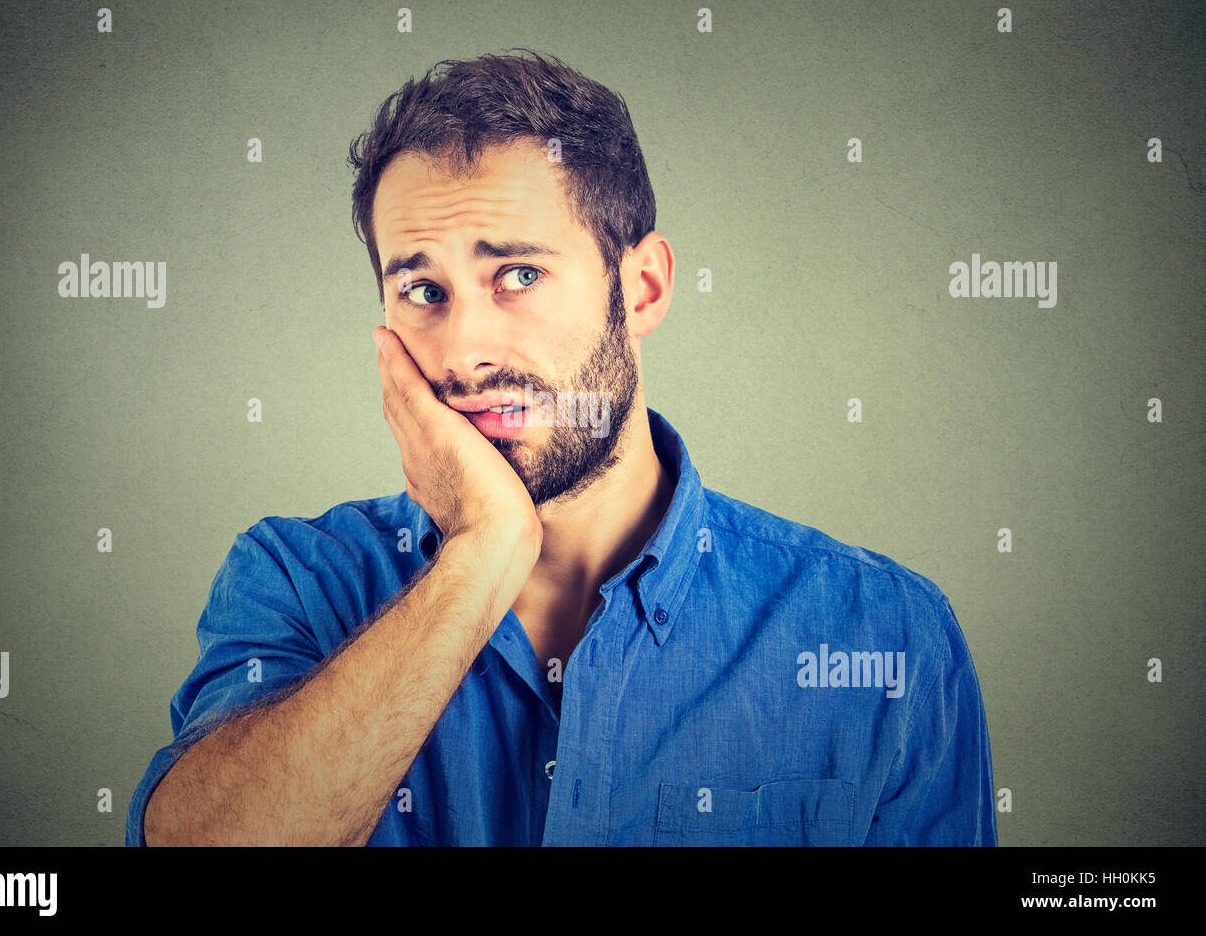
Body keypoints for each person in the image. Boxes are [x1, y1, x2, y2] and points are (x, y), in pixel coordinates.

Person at [127, 50, 997, 846]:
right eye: (423, 288)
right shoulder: (297, 582)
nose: (465, 350)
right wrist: (482, 552)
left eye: (517, 275)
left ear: (643, 285)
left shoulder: (883, 635)